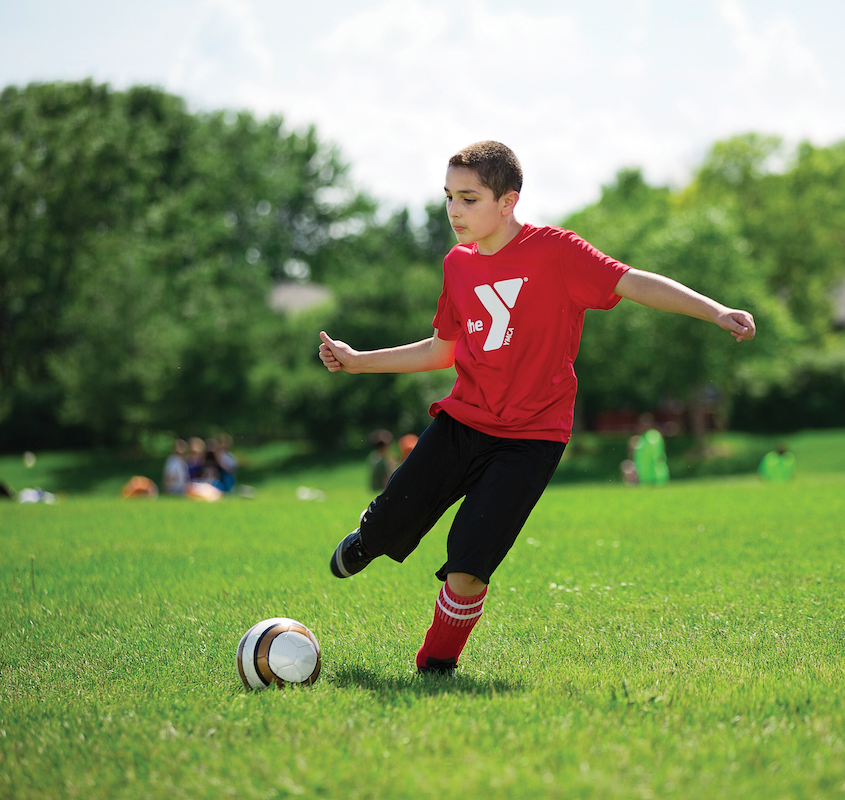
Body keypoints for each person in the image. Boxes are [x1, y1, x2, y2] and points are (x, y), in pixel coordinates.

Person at [318, 141, 755, 675]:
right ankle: (372, 535)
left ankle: (436, 665)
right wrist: (358, 360)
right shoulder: (455, 265)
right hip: (463, 423)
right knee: (390, 525)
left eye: (469, 198)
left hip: (532, 439)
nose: (455, 210)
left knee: (470, 564)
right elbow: (441, 351)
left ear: (508, 202)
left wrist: (714, 311)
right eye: (449, 197)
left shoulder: (557, 252)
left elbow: (633, 281)